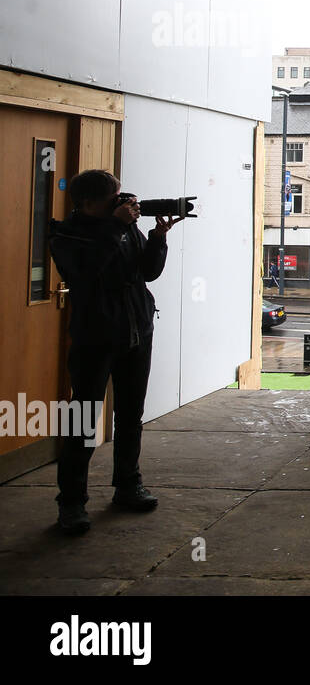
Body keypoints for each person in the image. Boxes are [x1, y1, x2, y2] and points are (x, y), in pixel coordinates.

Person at [48, 170, 182, 535]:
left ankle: (127, 486)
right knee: (82, 421)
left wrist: (156, 238)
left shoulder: (122, 229)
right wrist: (118, 228)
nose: (121, 203)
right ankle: (72, 503)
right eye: (113, 199)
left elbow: (148, 274)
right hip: (95, 339)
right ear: (89, 203)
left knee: (130, 417)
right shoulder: (66, 234)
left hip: (136, 332)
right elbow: (87, 274)